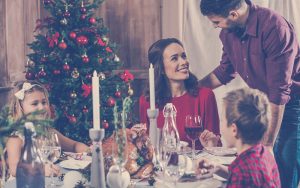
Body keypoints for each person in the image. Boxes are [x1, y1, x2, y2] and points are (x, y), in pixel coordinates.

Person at [199, 0, 300, 187]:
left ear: (233, 14)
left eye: (216, 22)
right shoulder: (228, 33)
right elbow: (225, 71)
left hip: (292, 104)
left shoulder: (274, 28)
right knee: (255, 166)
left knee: (284, 166)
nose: (215, 27)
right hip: (266, 104)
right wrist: (192, 89)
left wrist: (268, 144)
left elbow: (279, 92)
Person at [139, 38, 220, 149]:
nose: (184, 62)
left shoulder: (205, 96)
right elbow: (147, 146)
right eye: (174, 59)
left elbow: (215, 145)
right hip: (163, 164)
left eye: (183, 56)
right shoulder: (147, 101)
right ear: (161, 68)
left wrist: (211, 144)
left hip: (197, 164)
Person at [197, 88, 281, 187]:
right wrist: (217, 168)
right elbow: (241, 174)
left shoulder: (242, 173)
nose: (221, 124)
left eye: (222, 120)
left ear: (234, 130)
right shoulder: (263, 153)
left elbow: (242, 176)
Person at [5, 80, 90, 177]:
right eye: (35, 103)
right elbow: (15, 169)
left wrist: (89, 151)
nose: (42, 107)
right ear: (20, 108)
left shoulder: (49, 132)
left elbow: (74, 145)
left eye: (44, 102)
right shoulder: (16, 137)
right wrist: (40, 170)